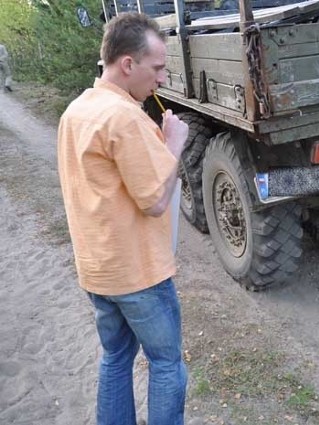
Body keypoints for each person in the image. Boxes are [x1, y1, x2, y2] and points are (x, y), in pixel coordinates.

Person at [57, 13, 189, 425]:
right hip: (139, 275)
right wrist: (173, 144)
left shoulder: (76, 111)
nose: (162, 79)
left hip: (98, 271)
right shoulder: (125, 117)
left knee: (115, 358)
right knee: (167, 364)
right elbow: (153, 199)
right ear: (128, 64)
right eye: (158, 68)